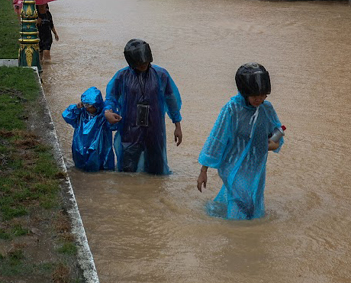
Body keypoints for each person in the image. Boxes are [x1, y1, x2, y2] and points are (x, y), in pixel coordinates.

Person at [196, 63, 285, 220]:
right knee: (241, 201)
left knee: (253, 201)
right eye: (255, 96)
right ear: (244, 93)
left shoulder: (266, 109)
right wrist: (203, 171)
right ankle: (236, 234)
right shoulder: (231, 110)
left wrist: (271, 144)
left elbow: (277, 137)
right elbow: (216, 140)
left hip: (255, 167)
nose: (259, 99)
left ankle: (240, 230)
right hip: (232, 165)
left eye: (263, 95)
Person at [103, 39, 184, 175]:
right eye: (139, 64)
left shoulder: (161, 75)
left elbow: (172, 100)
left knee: (156, 171)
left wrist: (177, 126)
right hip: (130, 129)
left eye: (145, 62)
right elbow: (111, 97)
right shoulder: (122, 76)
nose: (143, 65)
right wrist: (108, 111)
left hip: (154, 129)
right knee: (126, 171)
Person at [62, 87, 116, 172]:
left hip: (99, 149)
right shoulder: (81, 112)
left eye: (90, 106)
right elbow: (66, 115)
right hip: (80, 147)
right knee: (80, 168)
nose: (87, 108)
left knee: (100, 168)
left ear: (97, 105)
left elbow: (114, 125)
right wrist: (76, 107)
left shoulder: (104, 114)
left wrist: (109, 114)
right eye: (85, 105)